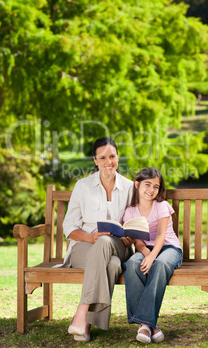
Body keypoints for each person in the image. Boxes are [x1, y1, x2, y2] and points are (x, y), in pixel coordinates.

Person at [63, 137, 133, 342]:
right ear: (95, 160)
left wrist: (130, 234)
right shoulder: (82, 186)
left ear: (118, 158)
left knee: (106, 245)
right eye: (102, 157)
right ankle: (86, 324)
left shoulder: (129, 187)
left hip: (120, 246)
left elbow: (135, 221)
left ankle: (81, 312)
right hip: (84, 247)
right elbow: (69, 227)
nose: (108, 162)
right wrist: (90, 237)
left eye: (112, 156)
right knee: (111, 265)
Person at [122, 167, 183, 344]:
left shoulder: (162, 206)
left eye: (156, 186)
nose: (151, 190)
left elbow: (161, 235)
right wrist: (146, 254)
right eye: (147, 184)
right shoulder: (130, 211)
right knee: (132, 264)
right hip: (145, 249)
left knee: (160, 264)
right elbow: (137, 240)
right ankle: (150, 325)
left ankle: (144, 324)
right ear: (137, 184)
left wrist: (153, 256)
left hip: (169, 248)